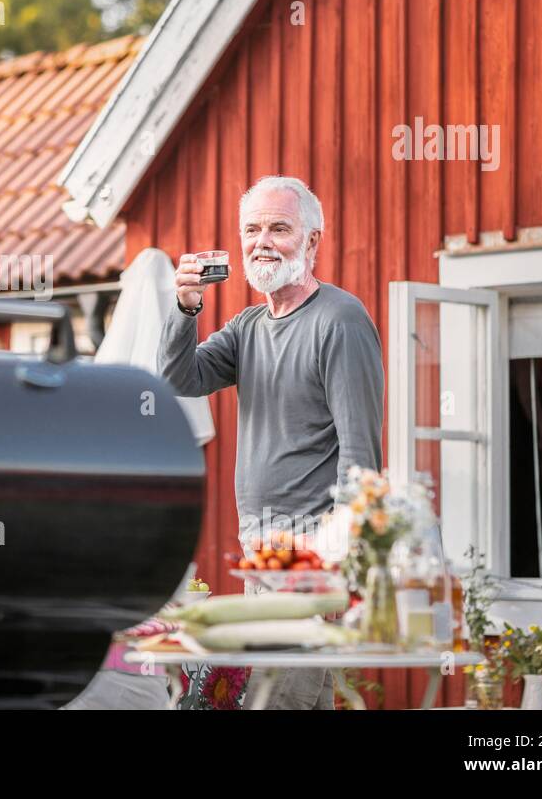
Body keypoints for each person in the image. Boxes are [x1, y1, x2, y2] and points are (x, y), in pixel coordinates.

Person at [157, 176, 384, 710]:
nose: (262, 241)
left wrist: (337, 558)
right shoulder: (249, 325)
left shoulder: (340, 320)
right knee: (300, 699)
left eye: (279, 228)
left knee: (273, 702)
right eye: (252, 229)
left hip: (309, 556)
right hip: (261, 551)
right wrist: (185, 306)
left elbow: (360, 455)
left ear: (312, 242)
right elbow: (179, 379)